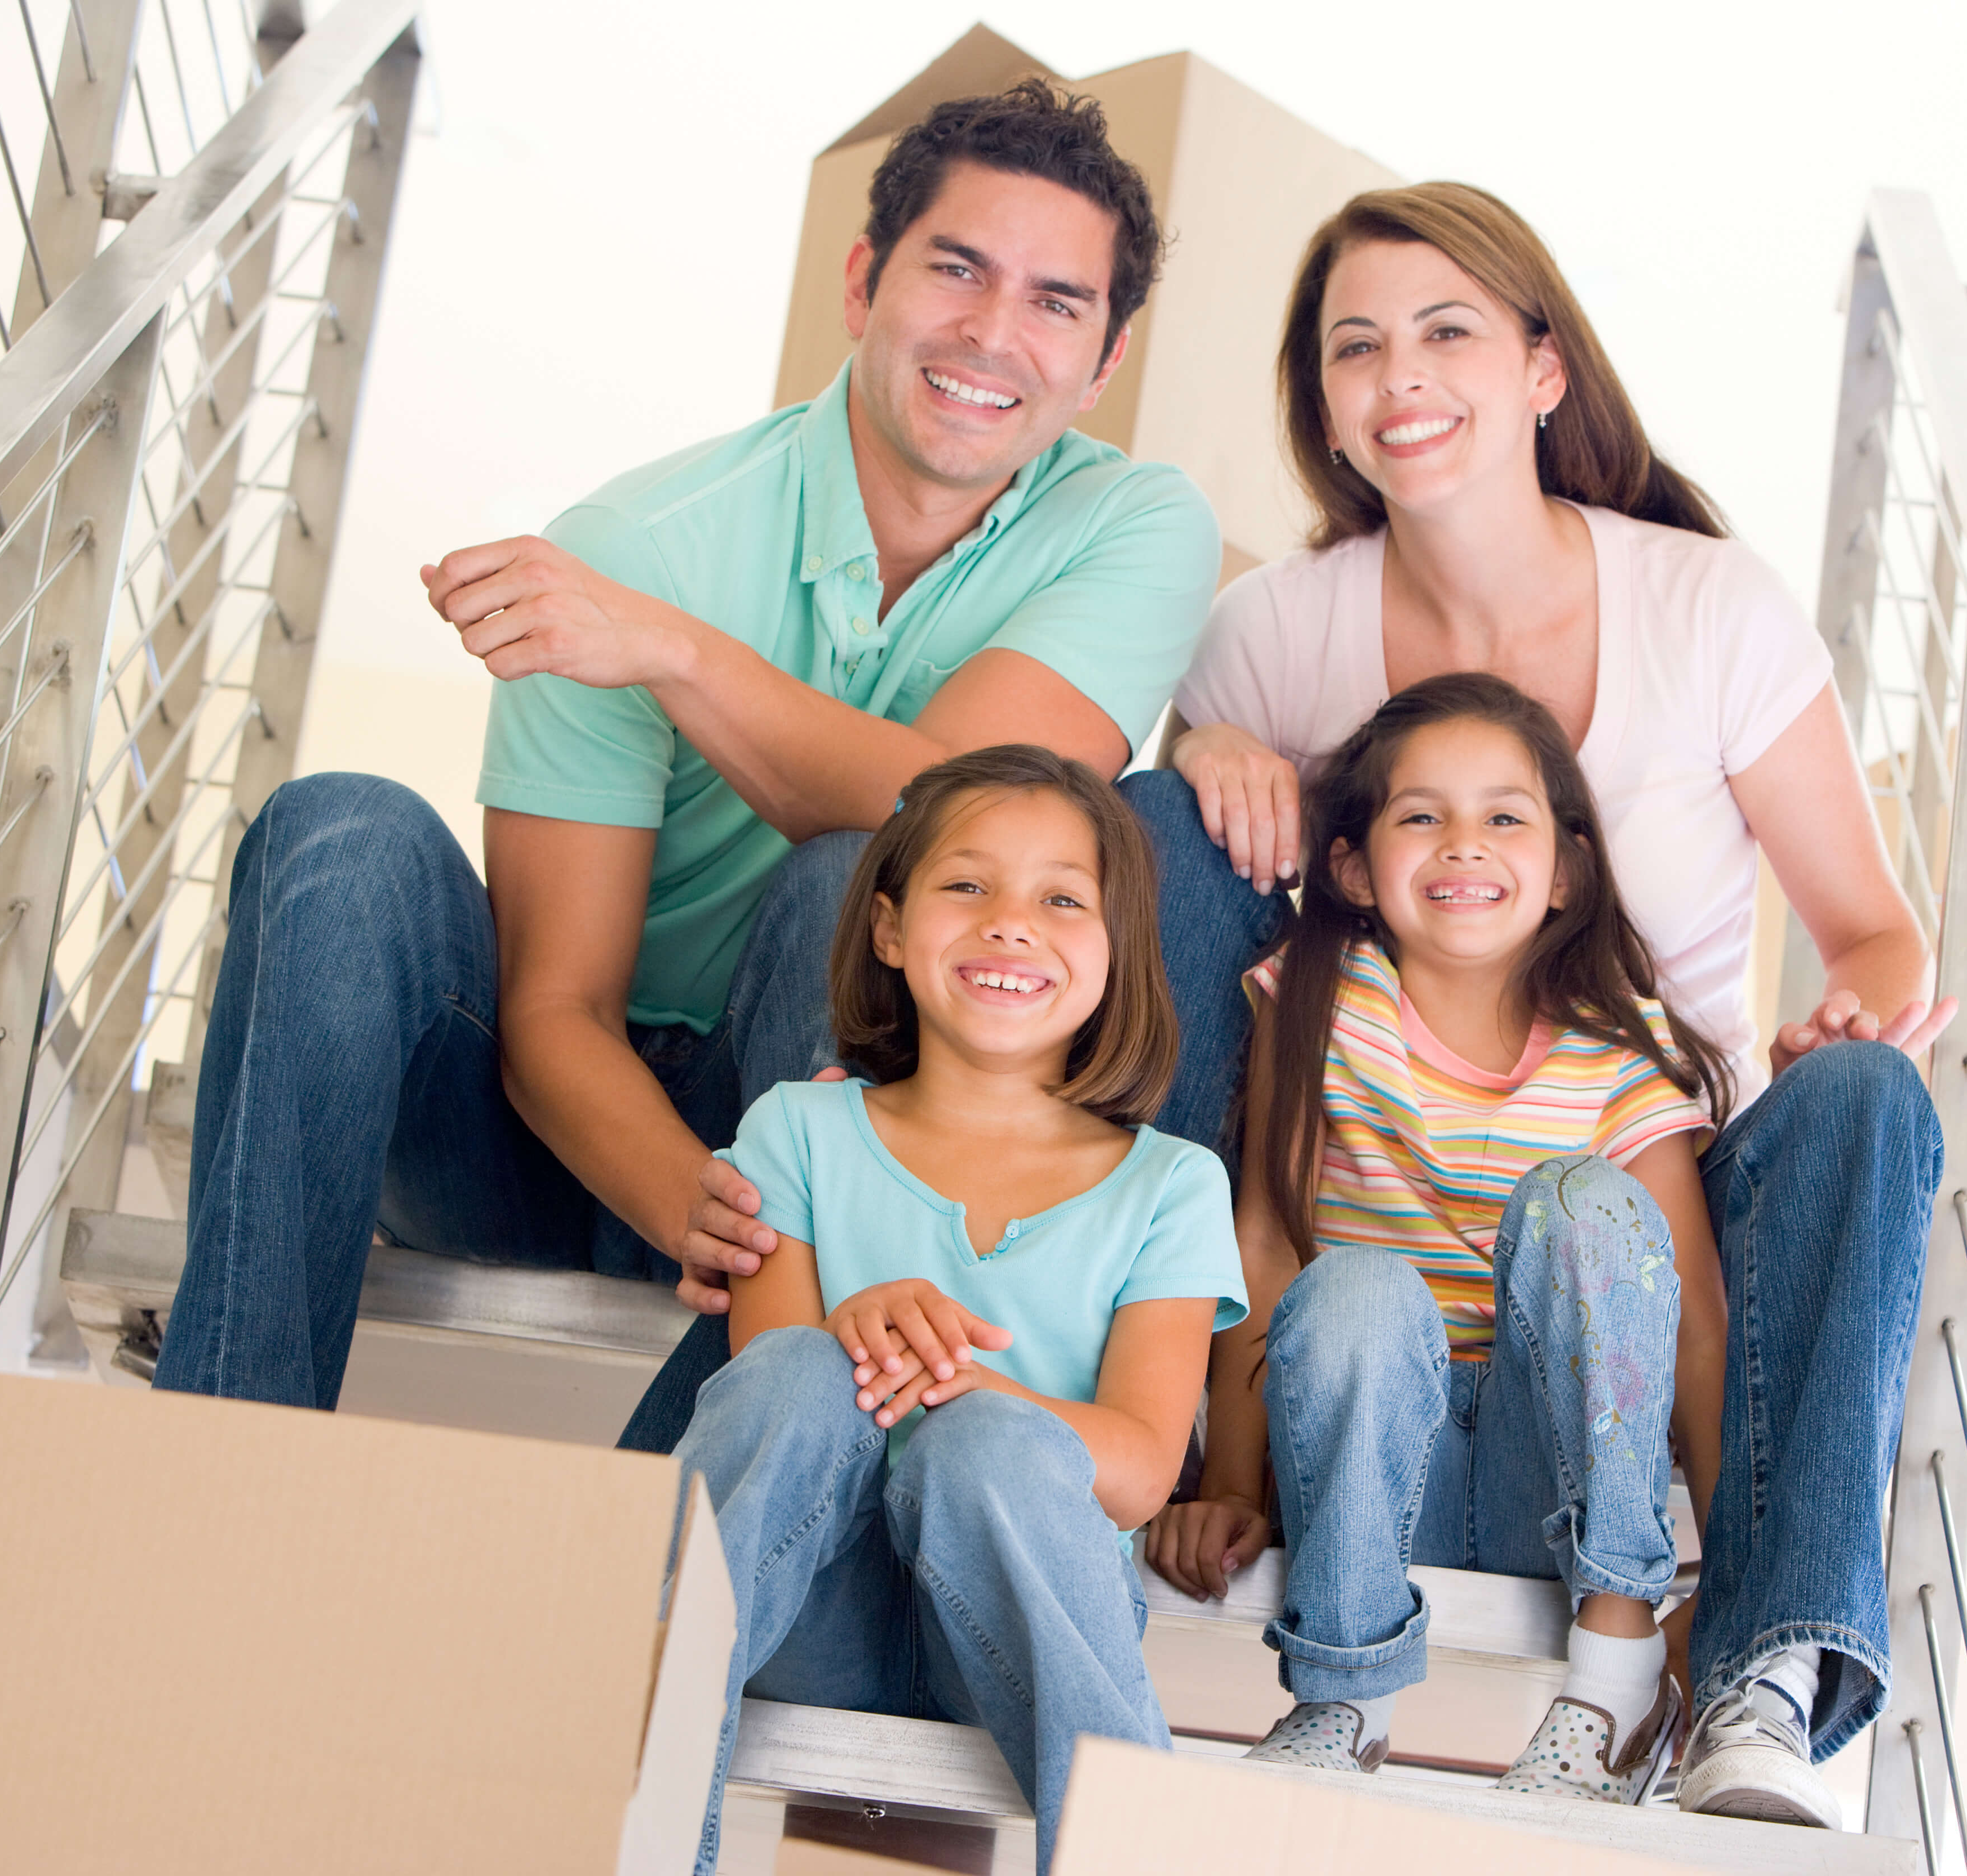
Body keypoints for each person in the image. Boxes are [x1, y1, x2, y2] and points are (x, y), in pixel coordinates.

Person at [150, 83, 1278, 1449]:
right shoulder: (637, 543)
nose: (994, 332)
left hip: (830, 1142)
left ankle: (710, 1515)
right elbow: (556, 1009)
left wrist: (674, 656)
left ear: (1104, 363)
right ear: (865, 281)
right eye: (957, 269)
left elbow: (944, 808)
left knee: (858, 878)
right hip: (560, 1130)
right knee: (339, 830)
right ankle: (216, 1454)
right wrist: (717, 1205)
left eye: (1055, 302)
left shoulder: (1134, 524)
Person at [1156, 183, 1949, 1825]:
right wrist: (1201, 753)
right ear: (1321, 402)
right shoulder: (1274, 634)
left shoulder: (1705, 605)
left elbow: (1876, 936)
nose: (1401, 376)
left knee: (1871, 1105)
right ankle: (1159, 1421)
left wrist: (1848, 1020)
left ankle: (1756, 1661)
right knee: (1151, 833)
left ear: (1540, 366)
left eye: (1446, 330)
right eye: (1353, 347)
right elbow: (1221, 992)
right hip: (1378, 1213)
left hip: (1655, 1185)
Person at [1150, 675, 1730, 1803]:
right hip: (1369, 1459)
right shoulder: (1319, 996)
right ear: (1357, 865)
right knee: (1356, 1282)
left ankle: (1612, 1679)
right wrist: (1230, 1482)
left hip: (1548, 1470)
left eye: (1504, 816)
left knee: (1587, 1199)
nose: (1464, 843)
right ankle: (1344, 1692)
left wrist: (1726, 1555)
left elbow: (1692, 1321)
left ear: (1564, 868)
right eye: (1423, 815)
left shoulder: (1620, 1052)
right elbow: (1266, 1236)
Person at [677, 745, 1242, 1874]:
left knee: (988, 1443)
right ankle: (628, 1805)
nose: (1012, 923)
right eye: (967, 885)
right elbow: (768, 1394)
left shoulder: (1171, 1184)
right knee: (794, 1372)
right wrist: (857, 1320)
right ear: (890, 927)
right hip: (816, 1615)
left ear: (1118, 948)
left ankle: (1137, 1853)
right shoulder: (797, 1129)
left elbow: (1136, 1469)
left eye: (1062, 898)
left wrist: (976, 1388)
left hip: (1025, 1621)